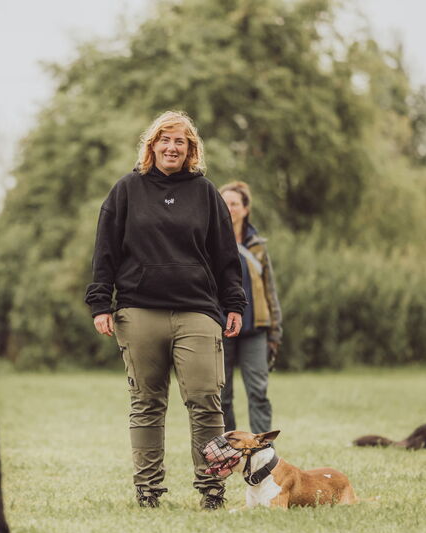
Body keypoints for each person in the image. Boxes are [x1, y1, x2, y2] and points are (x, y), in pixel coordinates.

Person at [85, 111, 246, 510]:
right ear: (151, 145)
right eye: (165, 140)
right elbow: (105, 250)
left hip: (197, 311)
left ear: (191, 150)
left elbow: (226, 255)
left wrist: (234, 303)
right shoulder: (126, 190)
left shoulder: (205, 193)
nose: (172, 148)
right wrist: (100, 303)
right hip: (139, 311)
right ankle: (148, 491)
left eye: (181, 142)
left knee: (207, 399)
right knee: (146, 402)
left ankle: (212, 491)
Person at [219, 181, 282, 434]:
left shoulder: (257, 246)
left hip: (255, 328)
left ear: (245, 209)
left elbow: (270, 291)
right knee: (221, 395)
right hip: (221, 327)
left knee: (258, 392)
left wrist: (275, 332)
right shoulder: (207, 240)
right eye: (224, 203)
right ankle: (228, 448)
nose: (229, 208)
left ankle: (263, 449)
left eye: (234, 203)